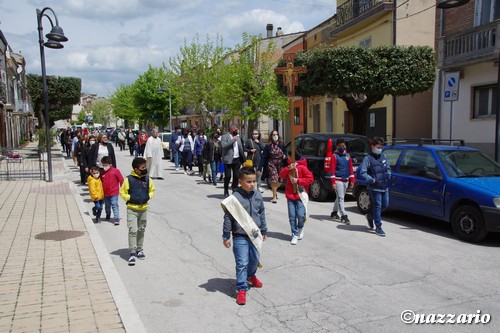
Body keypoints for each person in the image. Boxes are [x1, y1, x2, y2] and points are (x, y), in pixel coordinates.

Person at [222, 167, 267, 305]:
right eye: (248, 181)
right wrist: (226, 235)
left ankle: (251, 275)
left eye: (254, 181)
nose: (252, 184)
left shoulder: (257, 195)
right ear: (240, 181)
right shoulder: (234, 198)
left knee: (254, 259)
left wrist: (264, 230)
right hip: (240, 235)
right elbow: (228, 218)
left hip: (255, 234)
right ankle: (242, 288)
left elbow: (261, 212)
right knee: (242, 263)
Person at [120, 157, 155, 266]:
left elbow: (152, 190)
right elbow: (122, 192)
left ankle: (140, 249)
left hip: (143, 208)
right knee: (133, 230)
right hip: (132, 209)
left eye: (145, 167)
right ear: (136, 169)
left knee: (141, 229)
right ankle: (132, 252)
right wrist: (130, 198)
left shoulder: (147, 179)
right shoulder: (129, 179)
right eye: (142, 167)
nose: (145, 169)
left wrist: (148, 196)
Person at [358, 137, 391, 237]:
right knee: (378, 206)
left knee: (385, 205)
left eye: (381, 147)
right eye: (378, 147)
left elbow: (388, 168)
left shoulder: (384, 156)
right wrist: (371, 180)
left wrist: (389, 175)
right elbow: (362, 172)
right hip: (374, 187)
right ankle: (378, 226)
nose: (380, 149)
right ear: (373, 147)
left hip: (384, 186)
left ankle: (370, 216)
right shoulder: (368, 158)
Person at [279, 153, 314, 245]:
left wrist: (298, 181)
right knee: (292, 216)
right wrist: (288, 169)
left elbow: (310, 179)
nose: (288, 158)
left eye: (290, 156)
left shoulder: (302, 168)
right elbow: (281, 175)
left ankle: (300, 227)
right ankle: (294, 234)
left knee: (300, 215)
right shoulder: (288, 167)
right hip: (290, 195)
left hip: (300, 195)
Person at [330, 138, 355, 225]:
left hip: (346, 180)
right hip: (338, 180)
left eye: (344, 146)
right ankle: (343, 215)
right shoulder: (334, 156)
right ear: (337, 146)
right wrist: (333, 182)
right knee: (341, 198)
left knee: (339, 197)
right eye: (340, 146)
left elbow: (351, 169)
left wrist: (352, 180)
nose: (342, 147)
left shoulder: (348, 156)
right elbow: (332, 170)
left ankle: (334, 212)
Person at [260, 130, 287, 203]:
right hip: (271, 164)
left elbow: (285, 151)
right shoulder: (268, 146)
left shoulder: (281, 144)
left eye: (276, 134)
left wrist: (285, 155)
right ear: (271, 136)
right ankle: (274, 196)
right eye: (273, 135)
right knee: (274, 179)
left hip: (280, 164)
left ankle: (274, 189)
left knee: (280, 180)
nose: (275, 136)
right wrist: (260, 167)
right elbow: (264, 156)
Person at [221, 124, 245, 197]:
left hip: (237, 159)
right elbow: (223, 146)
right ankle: (226, 188)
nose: (236, 130)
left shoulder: (238, 137)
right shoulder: (225, 136)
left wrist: (243, 159)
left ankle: (234, 189)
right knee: (228, 176)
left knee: (236, 176)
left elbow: (241, 148)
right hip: (228, 159)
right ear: (231, 129)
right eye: (235, 129)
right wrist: (232, 140)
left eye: (237, 129)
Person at [100, 156, 124, 225]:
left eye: (106, 165)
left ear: (110, 164)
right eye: (103, 165)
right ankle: (108, 214)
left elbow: (121, 180)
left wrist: (123, 189)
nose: (104, 166)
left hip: (114, 192)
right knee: (107, 205)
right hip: (105, 193)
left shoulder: (115, 171)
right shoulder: (102, 172)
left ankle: (117, 218)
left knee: (114, 204)